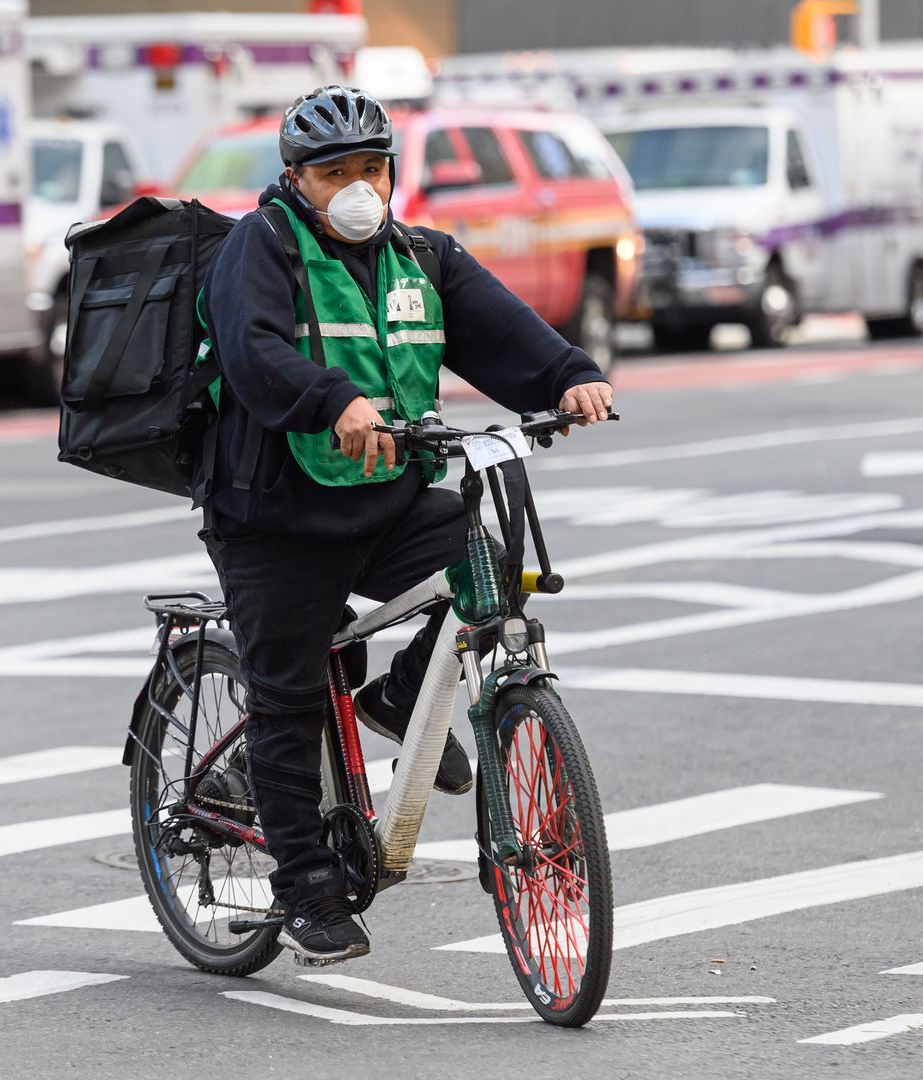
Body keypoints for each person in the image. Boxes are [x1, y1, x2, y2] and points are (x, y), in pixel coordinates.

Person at [200, 85, 614, 964]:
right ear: (296, 180)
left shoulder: (422, 255)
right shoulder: (258, 247)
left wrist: (569, 376)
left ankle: (396, 699)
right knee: (290, 691)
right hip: (276, 512)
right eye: (335, 172)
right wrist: (333, 398)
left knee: (486, 571)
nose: (358, 186)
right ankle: (306, 887)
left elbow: (503, 331)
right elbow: (253, 352)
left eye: (372, 168)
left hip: (386, 496)